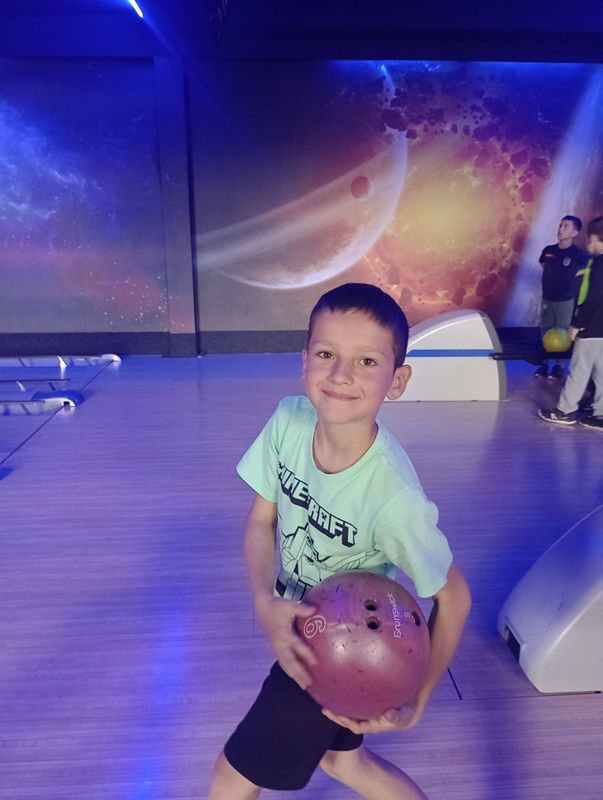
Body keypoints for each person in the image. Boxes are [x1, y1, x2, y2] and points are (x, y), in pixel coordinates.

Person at [208, 283, 472, 799]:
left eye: (367, 361)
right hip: (306, 632)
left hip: (333, 655)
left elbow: (454, 598)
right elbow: (260, 521)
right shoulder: (288, 422)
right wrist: (263, 601)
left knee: (229, 777)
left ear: (397, 381)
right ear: (304, 360)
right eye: (327, 354)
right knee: (344, 762)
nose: (341, 374)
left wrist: (418, 698)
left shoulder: (394, 499)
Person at [539, 216, 603, 429]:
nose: (587, 243)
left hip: (591, 328)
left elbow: (592, 298)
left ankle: (564, 411)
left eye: (589, 238)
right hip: (600, 329)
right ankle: (600, 414)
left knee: (579, 370)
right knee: (601, 372)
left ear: (595, 238)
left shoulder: (598, 264)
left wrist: (577, 323)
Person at [534, 215, 587, 380]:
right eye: (560, 225)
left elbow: (586, 271)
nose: (561, 229)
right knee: (546, 330)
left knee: (563, 332)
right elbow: (543, 264)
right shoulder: (548, 250)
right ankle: (544, 364)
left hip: (566, 300)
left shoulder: (578, 254)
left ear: (575, 233)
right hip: (547, 299)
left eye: (566, 226)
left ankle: (559, 366)